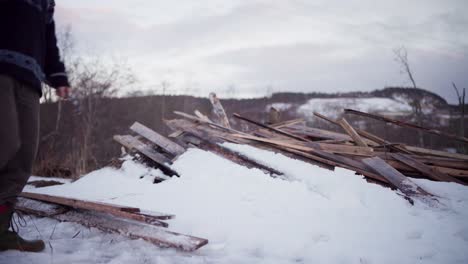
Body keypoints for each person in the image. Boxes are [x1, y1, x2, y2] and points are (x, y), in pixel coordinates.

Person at [0, 0, 71, 252]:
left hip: (30, 80)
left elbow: (47, 40)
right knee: (5, 143)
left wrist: (58, 75)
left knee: (22, 158)